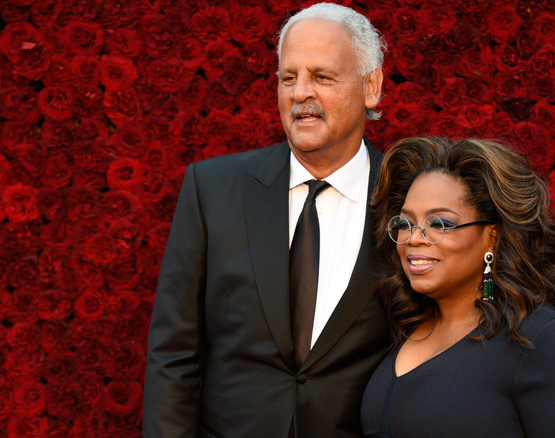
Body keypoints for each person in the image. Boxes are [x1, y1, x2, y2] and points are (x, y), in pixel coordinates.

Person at [143, 3, 393, 437]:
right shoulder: (212, 189)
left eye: (321, 76)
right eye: (288, 77)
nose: (299, 93)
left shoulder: (408, 199)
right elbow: (173, 357)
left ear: (371, 87)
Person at [361, 137, 555, 437]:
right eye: (405, 223)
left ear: (492, 237)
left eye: (440, 223)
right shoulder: (403, 327)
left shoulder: (540, 340)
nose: (414, 238)